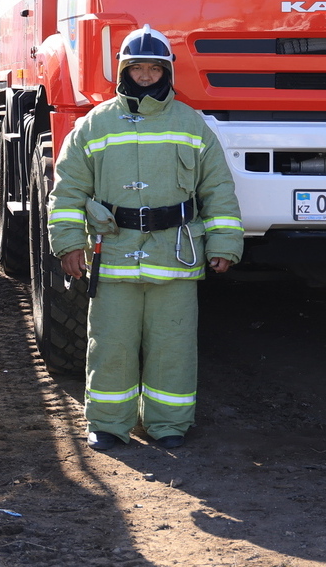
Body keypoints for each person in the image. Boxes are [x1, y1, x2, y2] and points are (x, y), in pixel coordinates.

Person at [48, 27, 242, 450]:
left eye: (155, 67)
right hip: (113, 255)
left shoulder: (192, 124)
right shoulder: (94, 125)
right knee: (111, 346)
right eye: (138, 67)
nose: (147, 74)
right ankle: (108, 424)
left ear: (167, 71)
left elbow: (217, 190)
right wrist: (67, 243)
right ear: (123, 70)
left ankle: (168, 424)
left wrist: (225, 244)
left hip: (175, 256)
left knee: (172, 347)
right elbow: (67, 190)